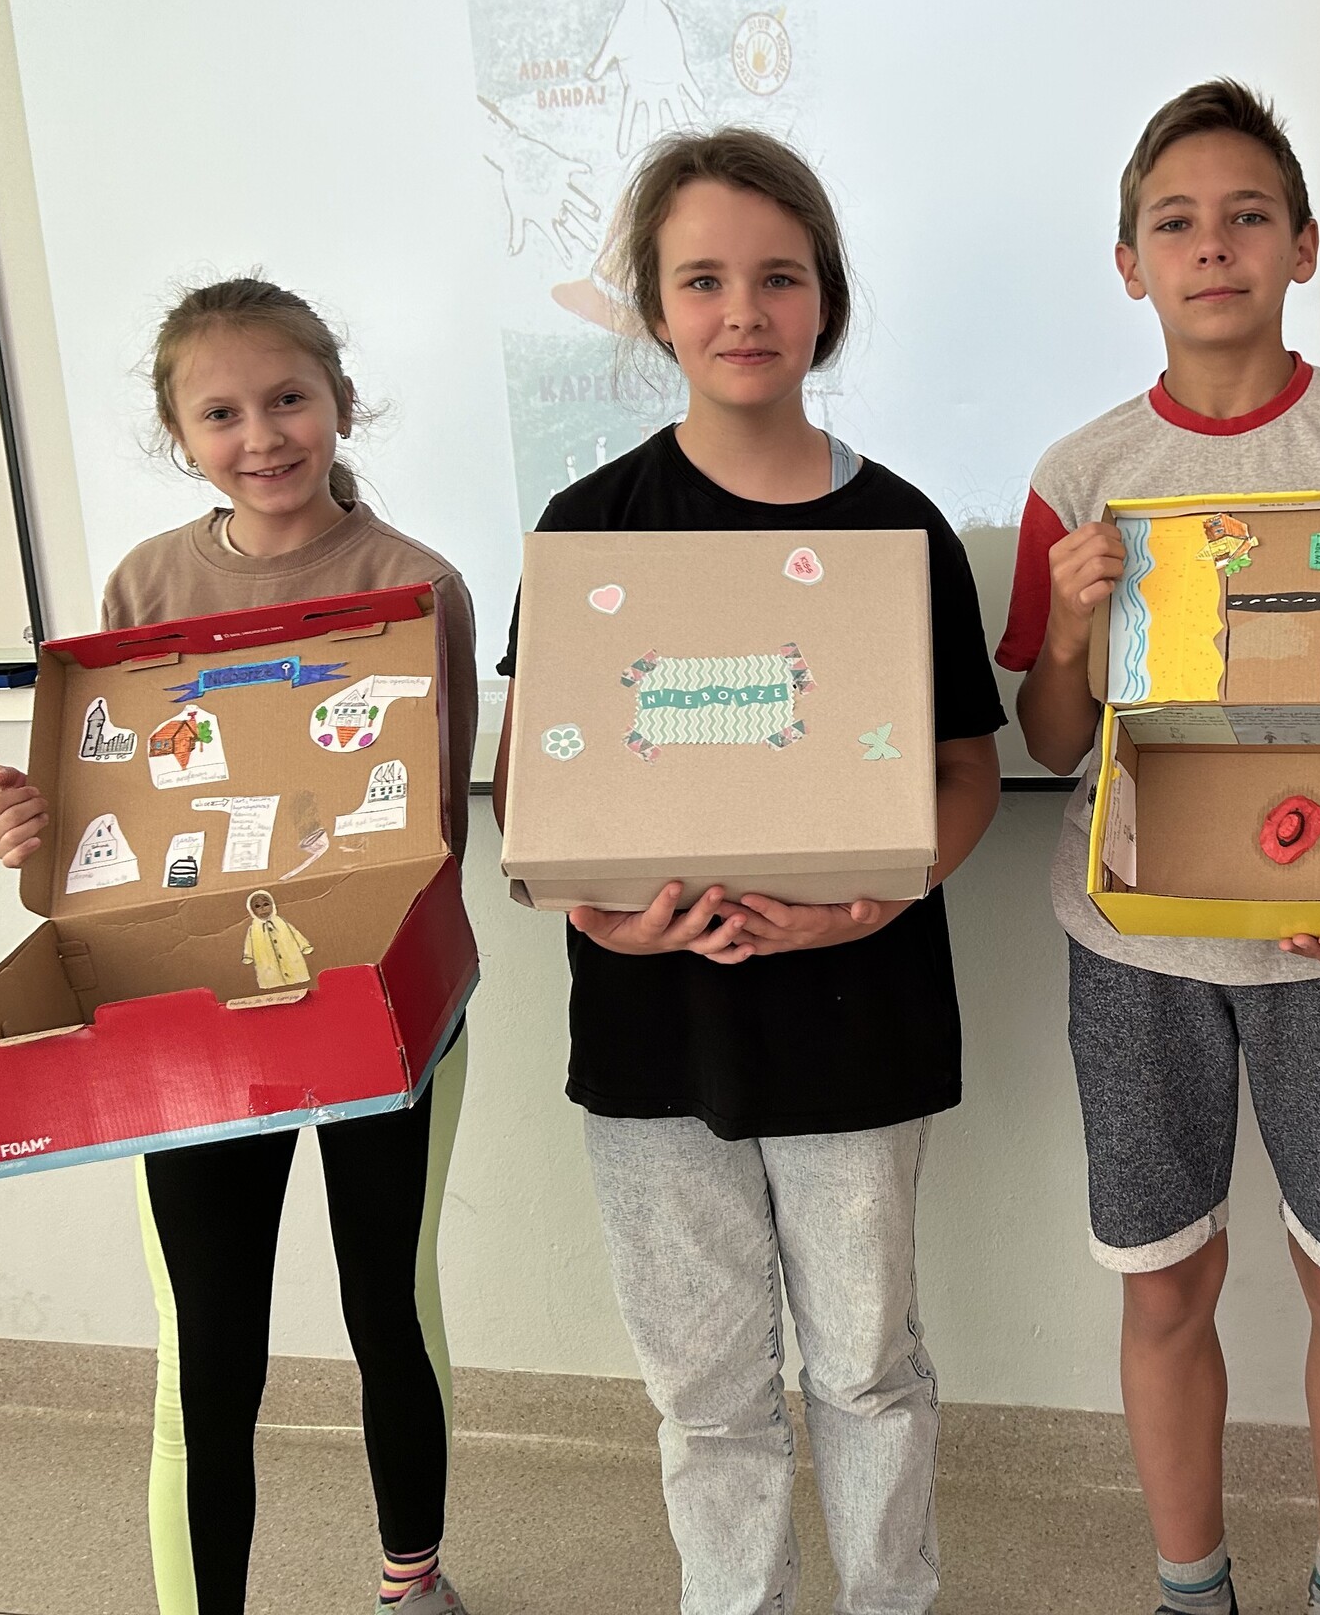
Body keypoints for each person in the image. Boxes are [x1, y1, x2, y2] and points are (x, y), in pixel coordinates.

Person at [999, 79, 1320, 1615]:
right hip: (1134, 947)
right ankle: (1190, 1587)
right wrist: (1069, 633)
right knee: (1164, 1283)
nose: (1211, 246)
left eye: (1246, 217)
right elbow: (1054, 742)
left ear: (1303, 244)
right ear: (1128, 264)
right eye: (1175, 223)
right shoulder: (1081, 475)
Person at [491, 127, 1004, 1615]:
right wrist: (606, 920)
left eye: (779, 276)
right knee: (705, 1389)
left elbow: (965, 771)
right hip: (656, 1029)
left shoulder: (899, 525)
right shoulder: (588, 528)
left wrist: (882, 896)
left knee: (867, 1365)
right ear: (655, 308)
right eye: (703, 279)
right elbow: (535, 794)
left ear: (824, 297)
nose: (743, 311)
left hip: (858, 1015)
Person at [0, 277, 481, 1615]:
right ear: (178, 433)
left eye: (288, 399)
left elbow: (425, 834)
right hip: (194, 1017)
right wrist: (37, 829)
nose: (262, 436)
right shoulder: (145, 584)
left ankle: (411, 1578)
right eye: (222, 414)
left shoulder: (419, 584)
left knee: (388, 1302)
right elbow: (119, 827)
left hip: (380, 1002)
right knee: (208, 1342)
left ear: (340, 400)